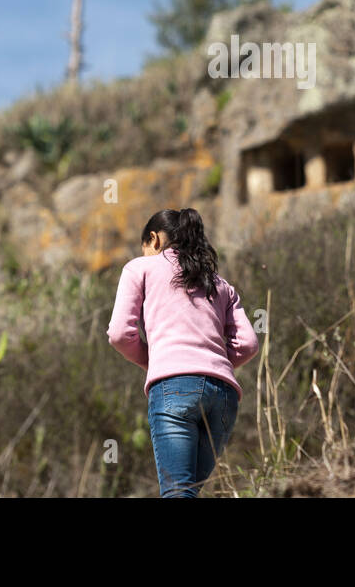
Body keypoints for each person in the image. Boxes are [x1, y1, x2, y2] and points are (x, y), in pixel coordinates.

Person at [106, 207, 259, 497]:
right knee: (186, 492)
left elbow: (118, 334)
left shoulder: (139, 268)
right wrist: (216, 364)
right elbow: (249, 343)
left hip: (174, 387)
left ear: (154, 239)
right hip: (224, 398)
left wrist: (152, 361)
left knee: (178, 493)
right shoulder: (220, 283)